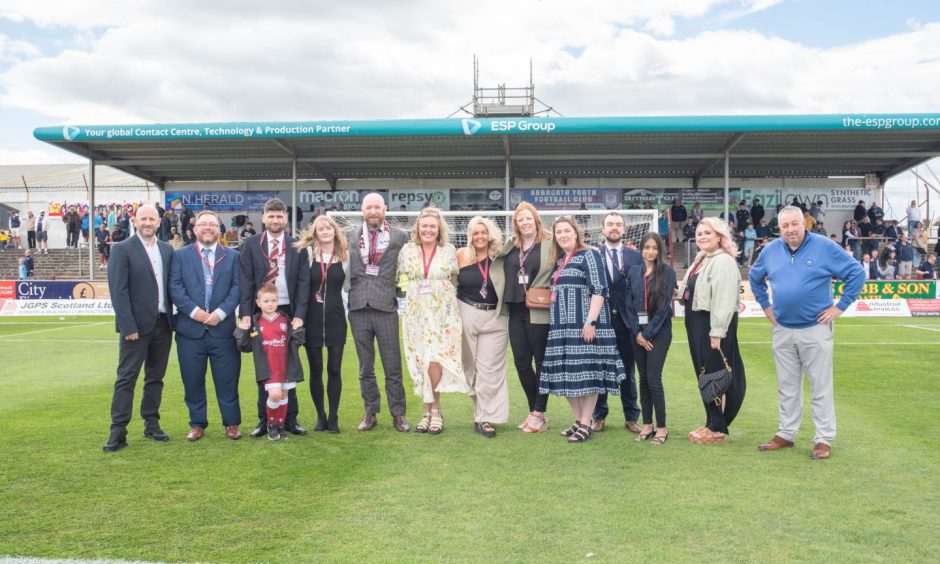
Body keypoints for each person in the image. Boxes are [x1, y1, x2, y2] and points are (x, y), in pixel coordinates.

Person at [750, 206, 865, 460]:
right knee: (787, 386)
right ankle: (786, 433)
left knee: (820, 386)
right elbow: (755, 277)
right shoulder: (770, 250)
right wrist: (766, 307)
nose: (790, 230)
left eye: (794, 224)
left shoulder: (824, 246)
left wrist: (840, 307)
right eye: (784, 226)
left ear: (805, 223)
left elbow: (856, 273)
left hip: (815, 328)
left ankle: (823, 439)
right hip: (783, 329)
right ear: (778, 229)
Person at [539, 216, 624, 443]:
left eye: (567, 231)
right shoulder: (559, 261)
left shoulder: (590, 254)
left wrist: (590, 322)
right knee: (565, 376)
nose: (563, 235)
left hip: (584, 325)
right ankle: (579, 420)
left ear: (576, 233)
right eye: (559, 232)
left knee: (589, 376)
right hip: (562, 327)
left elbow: (599, 289)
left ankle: (586, 424)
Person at [102, 205, 174, 452]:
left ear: (158, 221)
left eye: (151, 218)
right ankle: (118, 431)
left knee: (156, 378)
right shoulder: (122, 249)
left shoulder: (167, 249)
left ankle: (151, 424)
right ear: (135, 221)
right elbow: (118, 290)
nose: (147, 222)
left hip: (163, 325)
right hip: (135, 328)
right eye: (143, 218)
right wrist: (127, 325)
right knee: (127, 378)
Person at [168, 210, 243, 442]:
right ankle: (197, 423)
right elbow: (175, 286)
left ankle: (231, 423)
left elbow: (238, 287)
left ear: (219, 229)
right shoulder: (180, 256)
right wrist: (195, 312)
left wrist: (220, 313)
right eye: (203, 224)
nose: (208, 228)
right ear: (194, 229)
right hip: (190, 332)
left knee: (228, 380)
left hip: (223, 331)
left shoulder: (233, 256)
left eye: (212, 224)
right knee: (192, 380)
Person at [239, 198, 310, 438]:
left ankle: (291, 419)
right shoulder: (250, 244)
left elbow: (303, 282)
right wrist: (246, 314)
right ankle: (264, 420)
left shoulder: (295, 245)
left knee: (289, 365)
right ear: (263, 218)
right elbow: (246, 281)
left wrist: (299, 315)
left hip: (288, 311)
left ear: (286, 218)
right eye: (271, 216)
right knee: (264, 367)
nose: (275, 220)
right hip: (260, 311)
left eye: (279, 216)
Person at [345, 192, 411, 432]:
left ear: (385, 209)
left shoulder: (400, 237)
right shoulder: (349, 236)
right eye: (368, 207)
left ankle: (398, 413)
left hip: (386, 307)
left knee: (392, 365)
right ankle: (370, 411)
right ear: (362, 210)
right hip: (358, 307)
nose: (373, 211)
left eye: (377, 207)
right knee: (365, 367)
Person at [398, 207, 467, 434]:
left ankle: (436, 410)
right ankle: (426, 412)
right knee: (420, 361)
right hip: (416, 313)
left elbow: (455, 278)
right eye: (424, 225)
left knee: (435, 360)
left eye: (432, 226)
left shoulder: (448, 251)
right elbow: (401, 279)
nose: (428, 230)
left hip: (442, 315)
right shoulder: (407, 251)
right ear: (418, 228)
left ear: (439, 230)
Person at [679, 217, 746, 445]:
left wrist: (716, 331)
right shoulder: (702, 259)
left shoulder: (723, 261)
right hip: (697, 324)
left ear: (720, 236)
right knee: (706, 375)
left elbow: (724, 300)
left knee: (716, 375)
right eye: (699, 233)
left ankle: (718, 428)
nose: (702, 237)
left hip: (712, 327)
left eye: (708, 232)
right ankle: (712, 421)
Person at [497, 202, 553, 433]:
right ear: (516, 224)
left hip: (539, 309)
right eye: (521, 220)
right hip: (516, 308)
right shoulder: (511, 246)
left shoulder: (549, 243)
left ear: (536, 220)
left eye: (529, 218)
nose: (525, 222)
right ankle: (535, 411)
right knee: (521, 362)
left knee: (541, 362)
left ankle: (539, 412)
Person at [456, 216, 509, 437]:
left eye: (483, 232)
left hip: (495, 316)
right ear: (470, 235)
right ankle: (480, 411)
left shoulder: (500, 256)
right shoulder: (461, 255)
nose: (479, 236)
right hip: (467, 311)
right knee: (471, 368)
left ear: (490, 234)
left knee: (490, 370)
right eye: (475, 233)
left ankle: (485, 418)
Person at [296, 215, 349, 433]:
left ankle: (334, 417)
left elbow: (350, 285)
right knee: (316, 369)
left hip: (336, 320)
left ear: (335, 231)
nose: (325, 231)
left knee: (334, 369)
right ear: (315, 233)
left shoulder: (345, 257)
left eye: (329, 228)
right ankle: (321, 416)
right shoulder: (307, 255)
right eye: (321, 228)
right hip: (312, 320)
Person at [591, 212, 642, 433]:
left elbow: (640, 291)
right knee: (599, 370)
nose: (614, 228)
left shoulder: (635, 256)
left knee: (628, 371)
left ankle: (631, 417)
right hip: (600, 321)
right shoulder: (592, 255)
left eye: (618, 224)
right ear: (602, 229)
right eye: (610, 224)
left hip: (626, 322)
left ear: (624, 229)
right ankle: (598, 416)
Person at [235, 283, 306, 441]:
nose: (270, 304)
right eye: (266, 301)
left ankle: (280, 426)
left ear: (278, 301)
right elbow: (244, 346)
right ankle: (271, 424)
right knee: (274, 395)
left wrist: (298, 329)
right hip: (268, 368)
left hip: (286, 367)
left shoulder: (285, 320)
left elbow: (298, 341)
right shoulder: (255, 323)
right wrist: (241, 330)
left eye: (273, 300)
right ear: (258, 303)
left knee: (284, 395)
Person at [623, 233, 676, 446]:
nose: (650, 252)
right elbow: (629, 305)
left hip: (658, 334)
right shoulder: (635, 272)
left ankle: (662, 427)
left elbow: (664, 308)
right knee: (643, 378)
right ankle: (647, 424)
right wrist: (637, 332)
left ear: (659, 250)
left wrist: (647, 334)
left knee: (654, 378)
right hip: (637, 334)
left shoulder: (667, 272)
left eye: (654, 248)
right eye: (647, 247)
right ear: (641, 249)